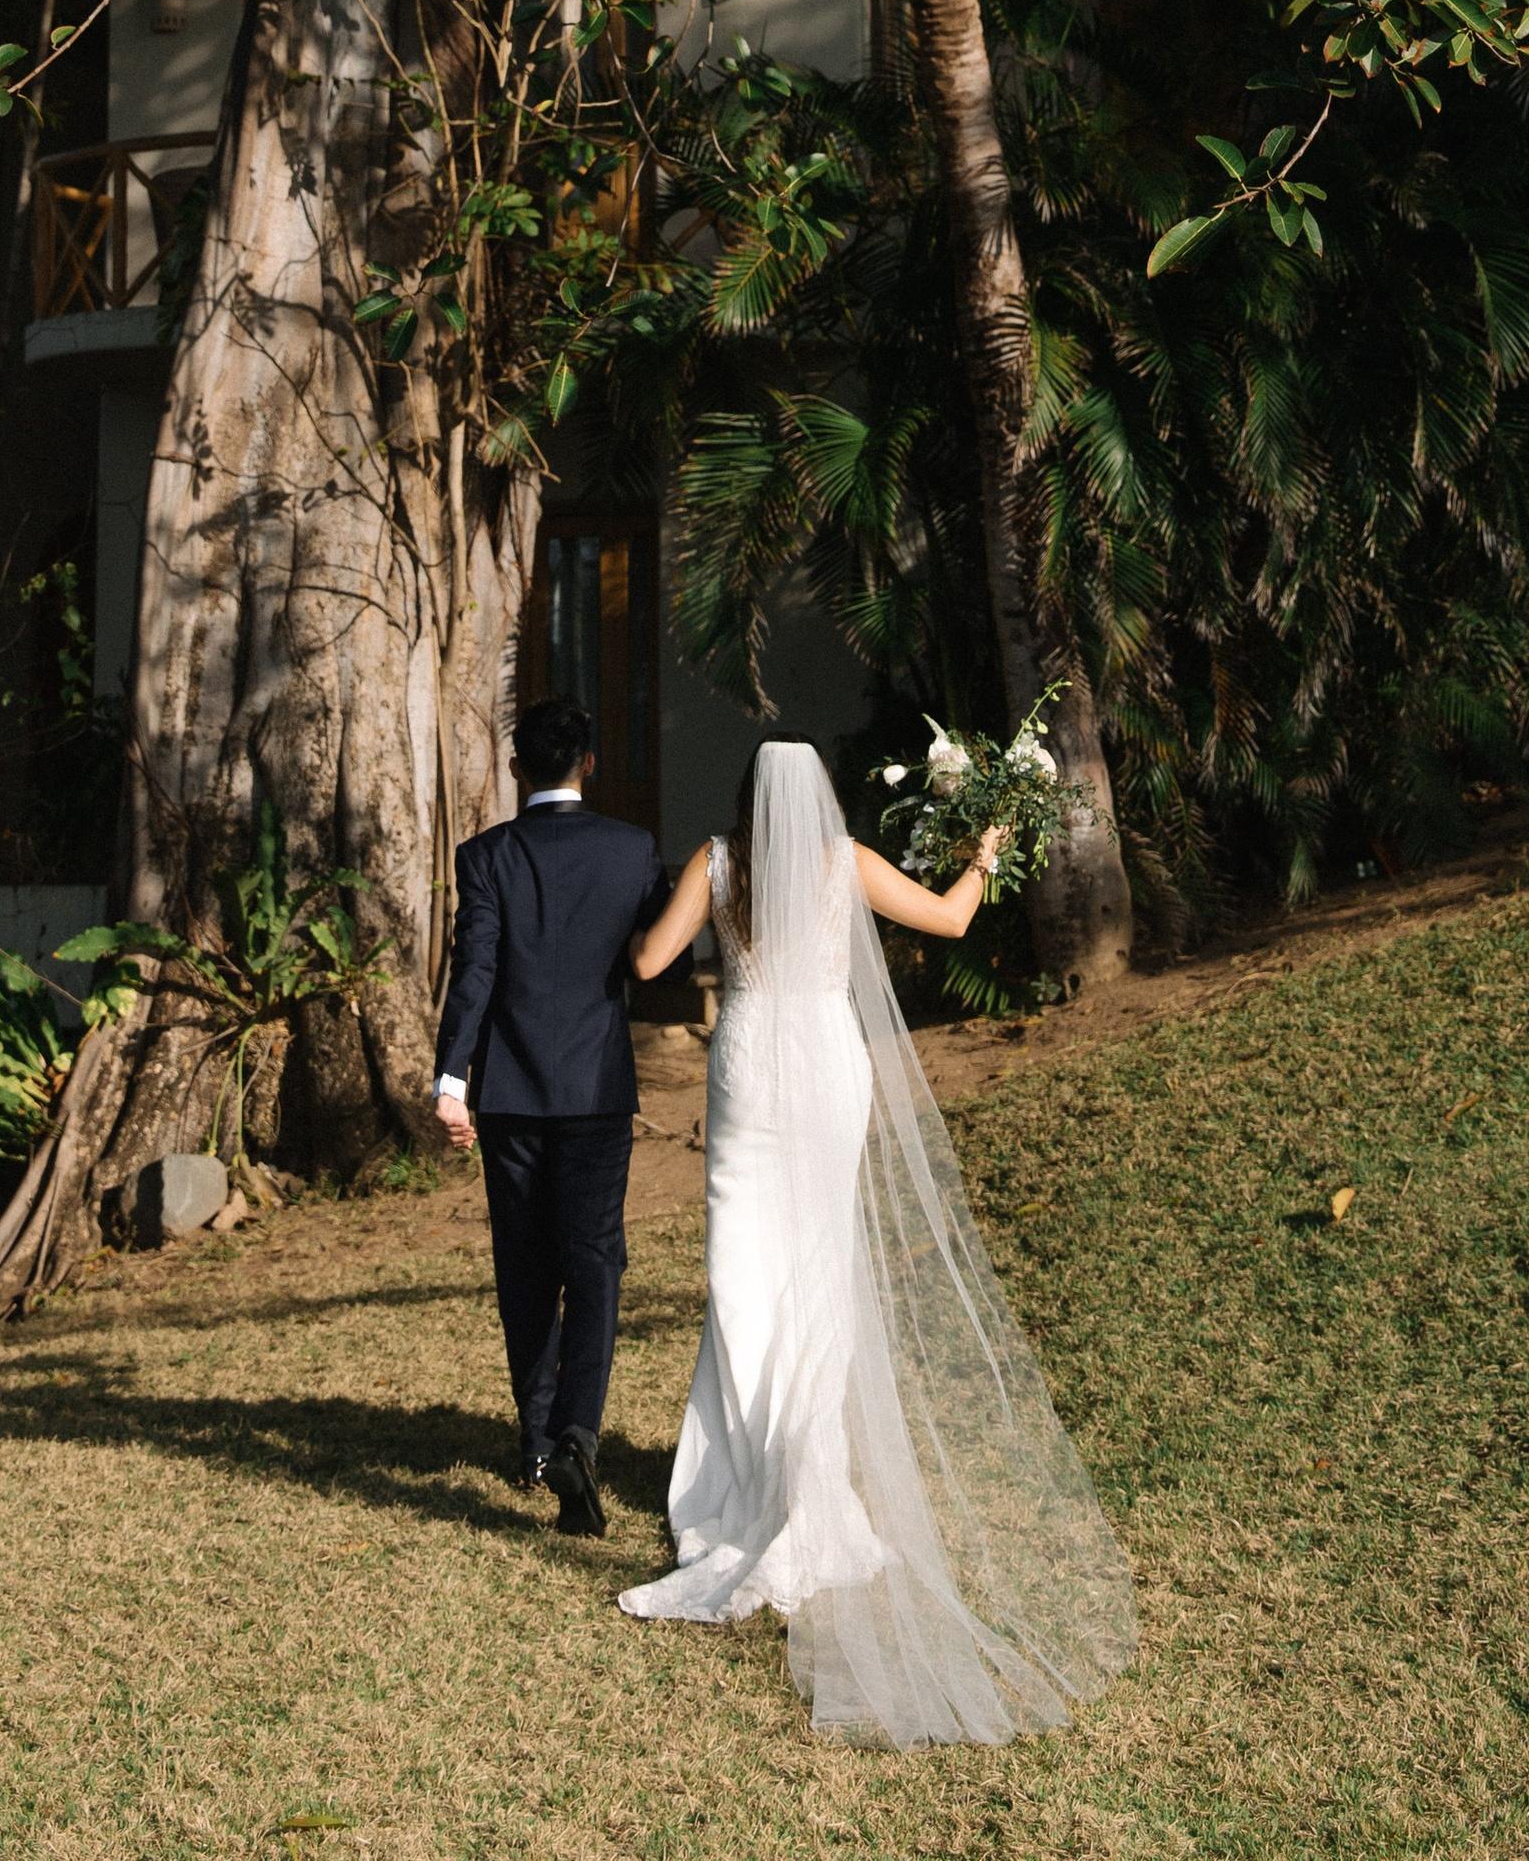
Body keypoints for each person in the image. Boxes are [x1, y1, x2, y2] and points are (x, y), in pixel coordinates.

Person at [615, 732, 1136, 1745]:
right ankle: (807, 1489)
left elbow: (647, 959)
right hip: (823, 1059)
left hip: (751, 1060)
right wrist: (983, 854)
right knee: (817, 1269)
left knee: (745, 1278)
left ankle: (751, 1483)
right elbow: (945, 920)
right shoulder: (842, 861)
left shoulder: (717, 862)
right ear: (816, 796)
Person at [433, 694, 671, 1534]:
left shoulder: (486, 856)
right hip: (598, 1091)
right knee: (596, 1259)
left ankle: (536, 1441)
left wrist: (450, 1081)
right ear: (591, 765)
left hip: (510, 1092)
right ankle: (578, 1437)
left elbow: (475, 971)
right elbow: (658, 956)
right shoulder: (633, 849)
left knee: (526, 1262)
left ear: (514, 770)